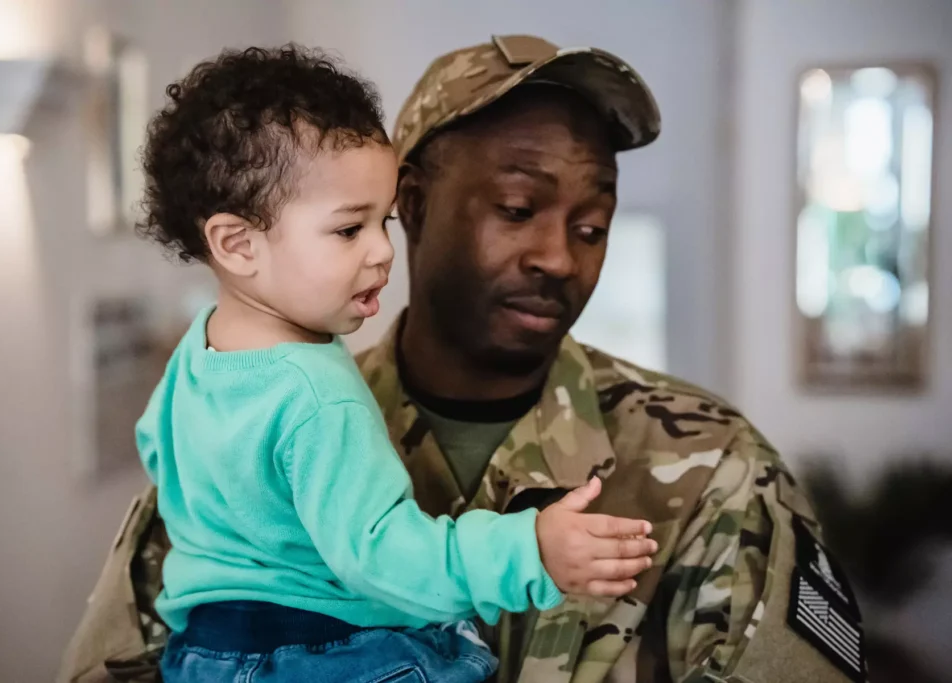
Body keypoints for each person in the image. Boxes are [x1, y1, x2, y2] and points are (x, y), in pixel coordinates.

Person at [59, 35, 866, 683]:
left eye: (592, 226)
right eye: (517, 208)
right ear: (409, 202)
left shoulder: (712, 464)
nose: (559, 255)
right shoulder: (284, 425)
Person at [126, 44, 658, 683]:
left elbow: (159, 448)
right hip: (330, 656)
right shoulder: (321, 396)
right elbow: (380, 556)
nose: (383, 251)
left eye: (385, 221)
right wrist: (530, 551)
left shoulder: (200, 352)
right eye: (350, 229)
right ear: (238, 244)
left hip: (203, 655)